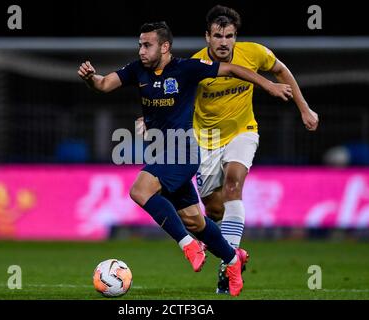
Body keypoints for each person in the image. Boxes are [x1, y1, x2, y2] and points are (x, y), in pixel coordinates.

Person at [78, 21, 292, 296]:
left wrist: (268, 85)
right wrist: (90, 78)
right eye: (140, 45)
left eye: (147, 45)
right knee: (195, 221)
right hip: (161, 151)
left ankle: (187, 245)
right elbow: (105, 84)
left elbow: (233, 69)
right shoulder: (137, 70)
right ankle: (232, 258)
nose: (142, 50)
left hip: (184, 150)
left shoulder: (187, 69)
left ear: (164, 46)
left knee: (139, 190)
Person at [190, 5, 319, 294]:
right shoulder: (195, 66)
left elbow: (281, 70)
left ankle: (228, 266)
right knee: (211, 210)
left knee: (234, 184)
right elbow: (177, 100)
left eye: (230, 36)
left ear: (236, 37)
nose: (224, 42)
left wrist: (304, 108)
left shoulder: (254, 53)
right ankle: (232, 252)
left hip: (243, 131)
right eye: (218, 36)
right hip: (207, 140)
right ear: (207, 37)